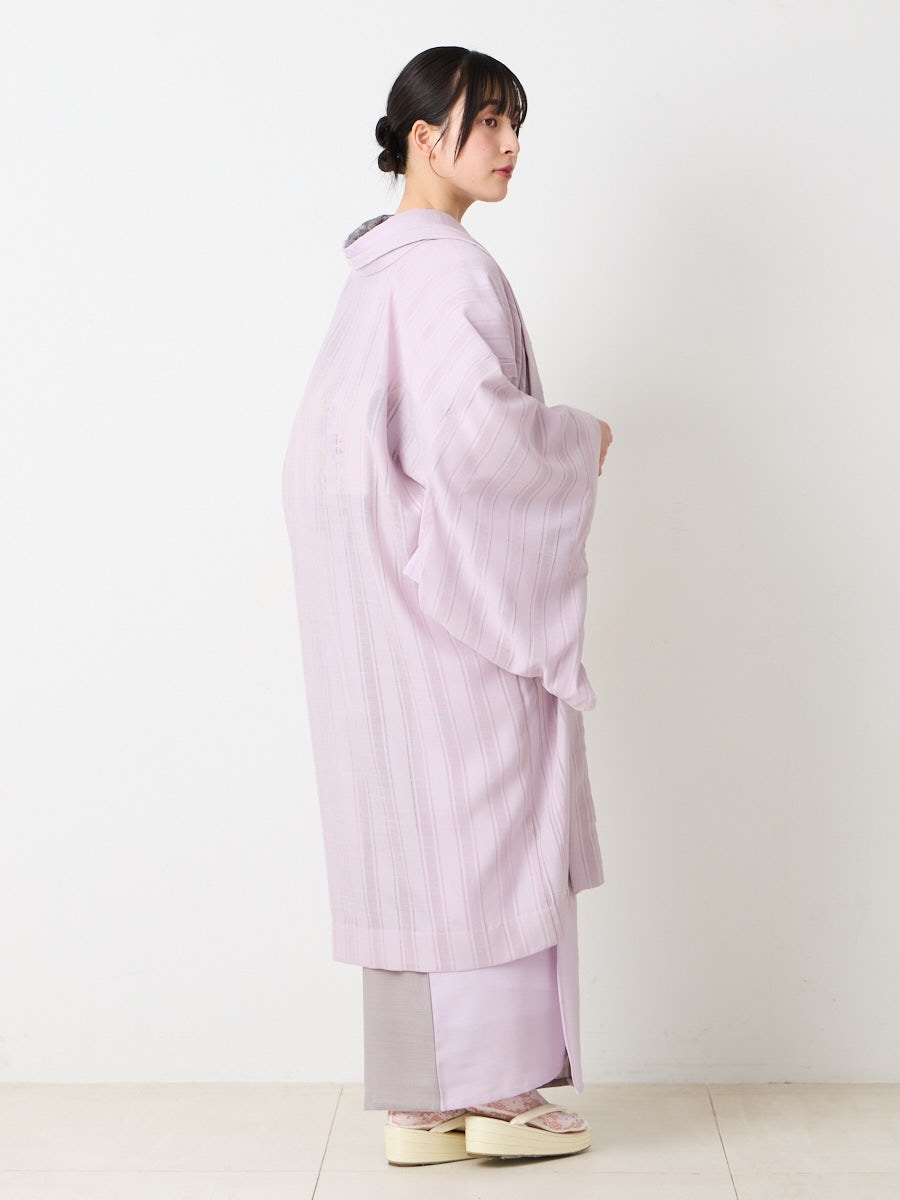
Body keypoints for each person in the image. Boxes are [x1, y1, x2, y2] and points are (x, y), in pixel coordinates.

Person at [282, 46, 613, 1166]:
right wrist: (576, 440)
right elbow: (473, 439)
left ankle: (422, 1106)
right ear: (426, 138)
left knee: (417, 836)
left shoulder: (376, 274)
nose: (512, 146)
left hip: (381, 612)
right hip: (447, 610)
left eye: (518, 124)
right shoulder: (444, 271)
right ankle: (497, 1093)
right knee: (487, 823)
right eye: (489, 123)